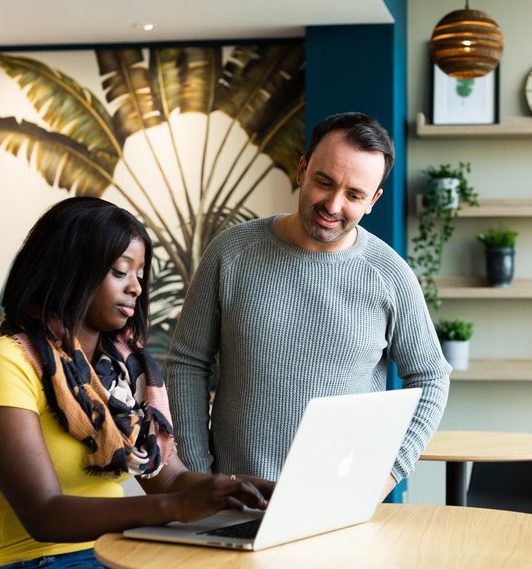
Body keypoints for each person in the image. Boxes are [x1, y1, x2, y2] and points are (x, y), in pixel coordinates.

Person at [0, 197, 273, 569]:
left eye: (140, 275)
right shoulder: (7, 361)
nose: (136, 288)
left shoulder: (125, 373)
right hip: (23, 560)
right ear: (69, 270)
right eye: (121, 272)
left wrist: (252, 489)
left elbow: (170, 483)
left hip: (110, 552)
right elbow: (44, 514)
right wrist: (174, 509)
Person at [167, 111, 451, 497]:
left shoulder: (391, 275)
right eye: (324, 182)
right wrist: (199, 474)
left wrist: (388, 473)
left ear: (373, 200)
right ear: (302, 169)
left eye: (354, 195)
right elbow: (187, 363)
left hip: (340, 501)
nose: (333, 205)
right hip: (233, 498)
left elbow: (431, 377)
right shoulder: (231, 252)